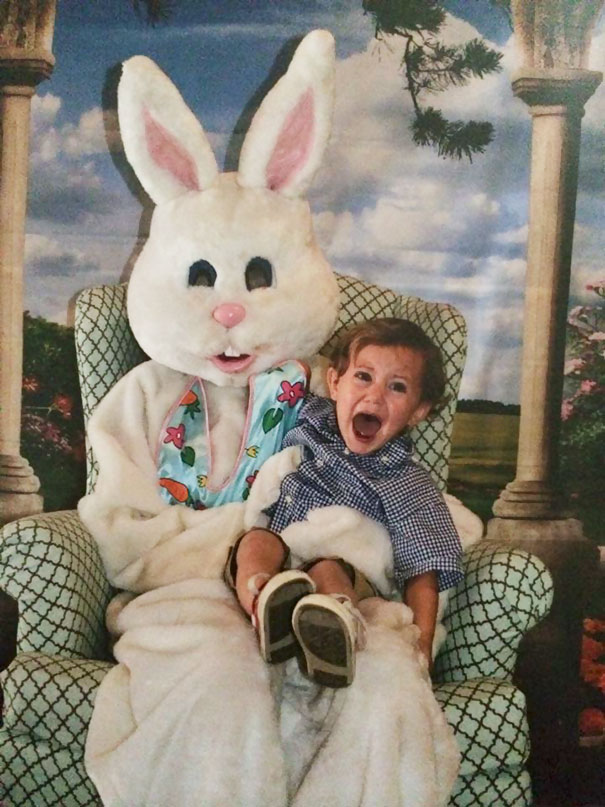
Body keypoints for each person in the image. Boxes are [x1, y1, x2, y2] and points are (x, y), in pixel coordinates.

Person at [225, 317, 463, 687]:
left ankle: (332, 630)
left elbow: (424, 567)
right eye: (363, 377)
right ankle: (264, 604)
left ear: (418, 410)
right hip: (283, 555)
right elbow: (265, 370)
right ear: (335, 383)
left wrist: (423, 644)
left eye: (397, 387)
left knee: (329, 572)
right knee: (255, 542)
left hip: (348, 572)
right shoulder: (307, 421)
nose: (374, 397)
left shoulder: (407, 481)